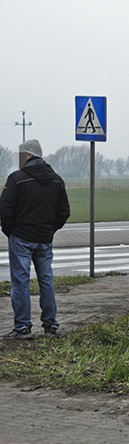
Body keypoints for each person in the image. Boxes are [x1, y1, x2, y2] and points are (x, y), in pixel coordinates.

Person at [0, 139, 70, 339]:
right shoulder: (57, 180)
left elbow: (4, 210)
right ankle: (50, 326)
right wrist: (49, 230)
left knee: (20, 282)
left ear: (28, 156)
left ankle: (22, 327)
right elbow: (64, 212)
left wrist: (10, 231)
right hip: (44, 239)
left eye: (21, 156)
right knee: (46, 281)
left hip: (21, 237)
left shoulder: (16, 178)